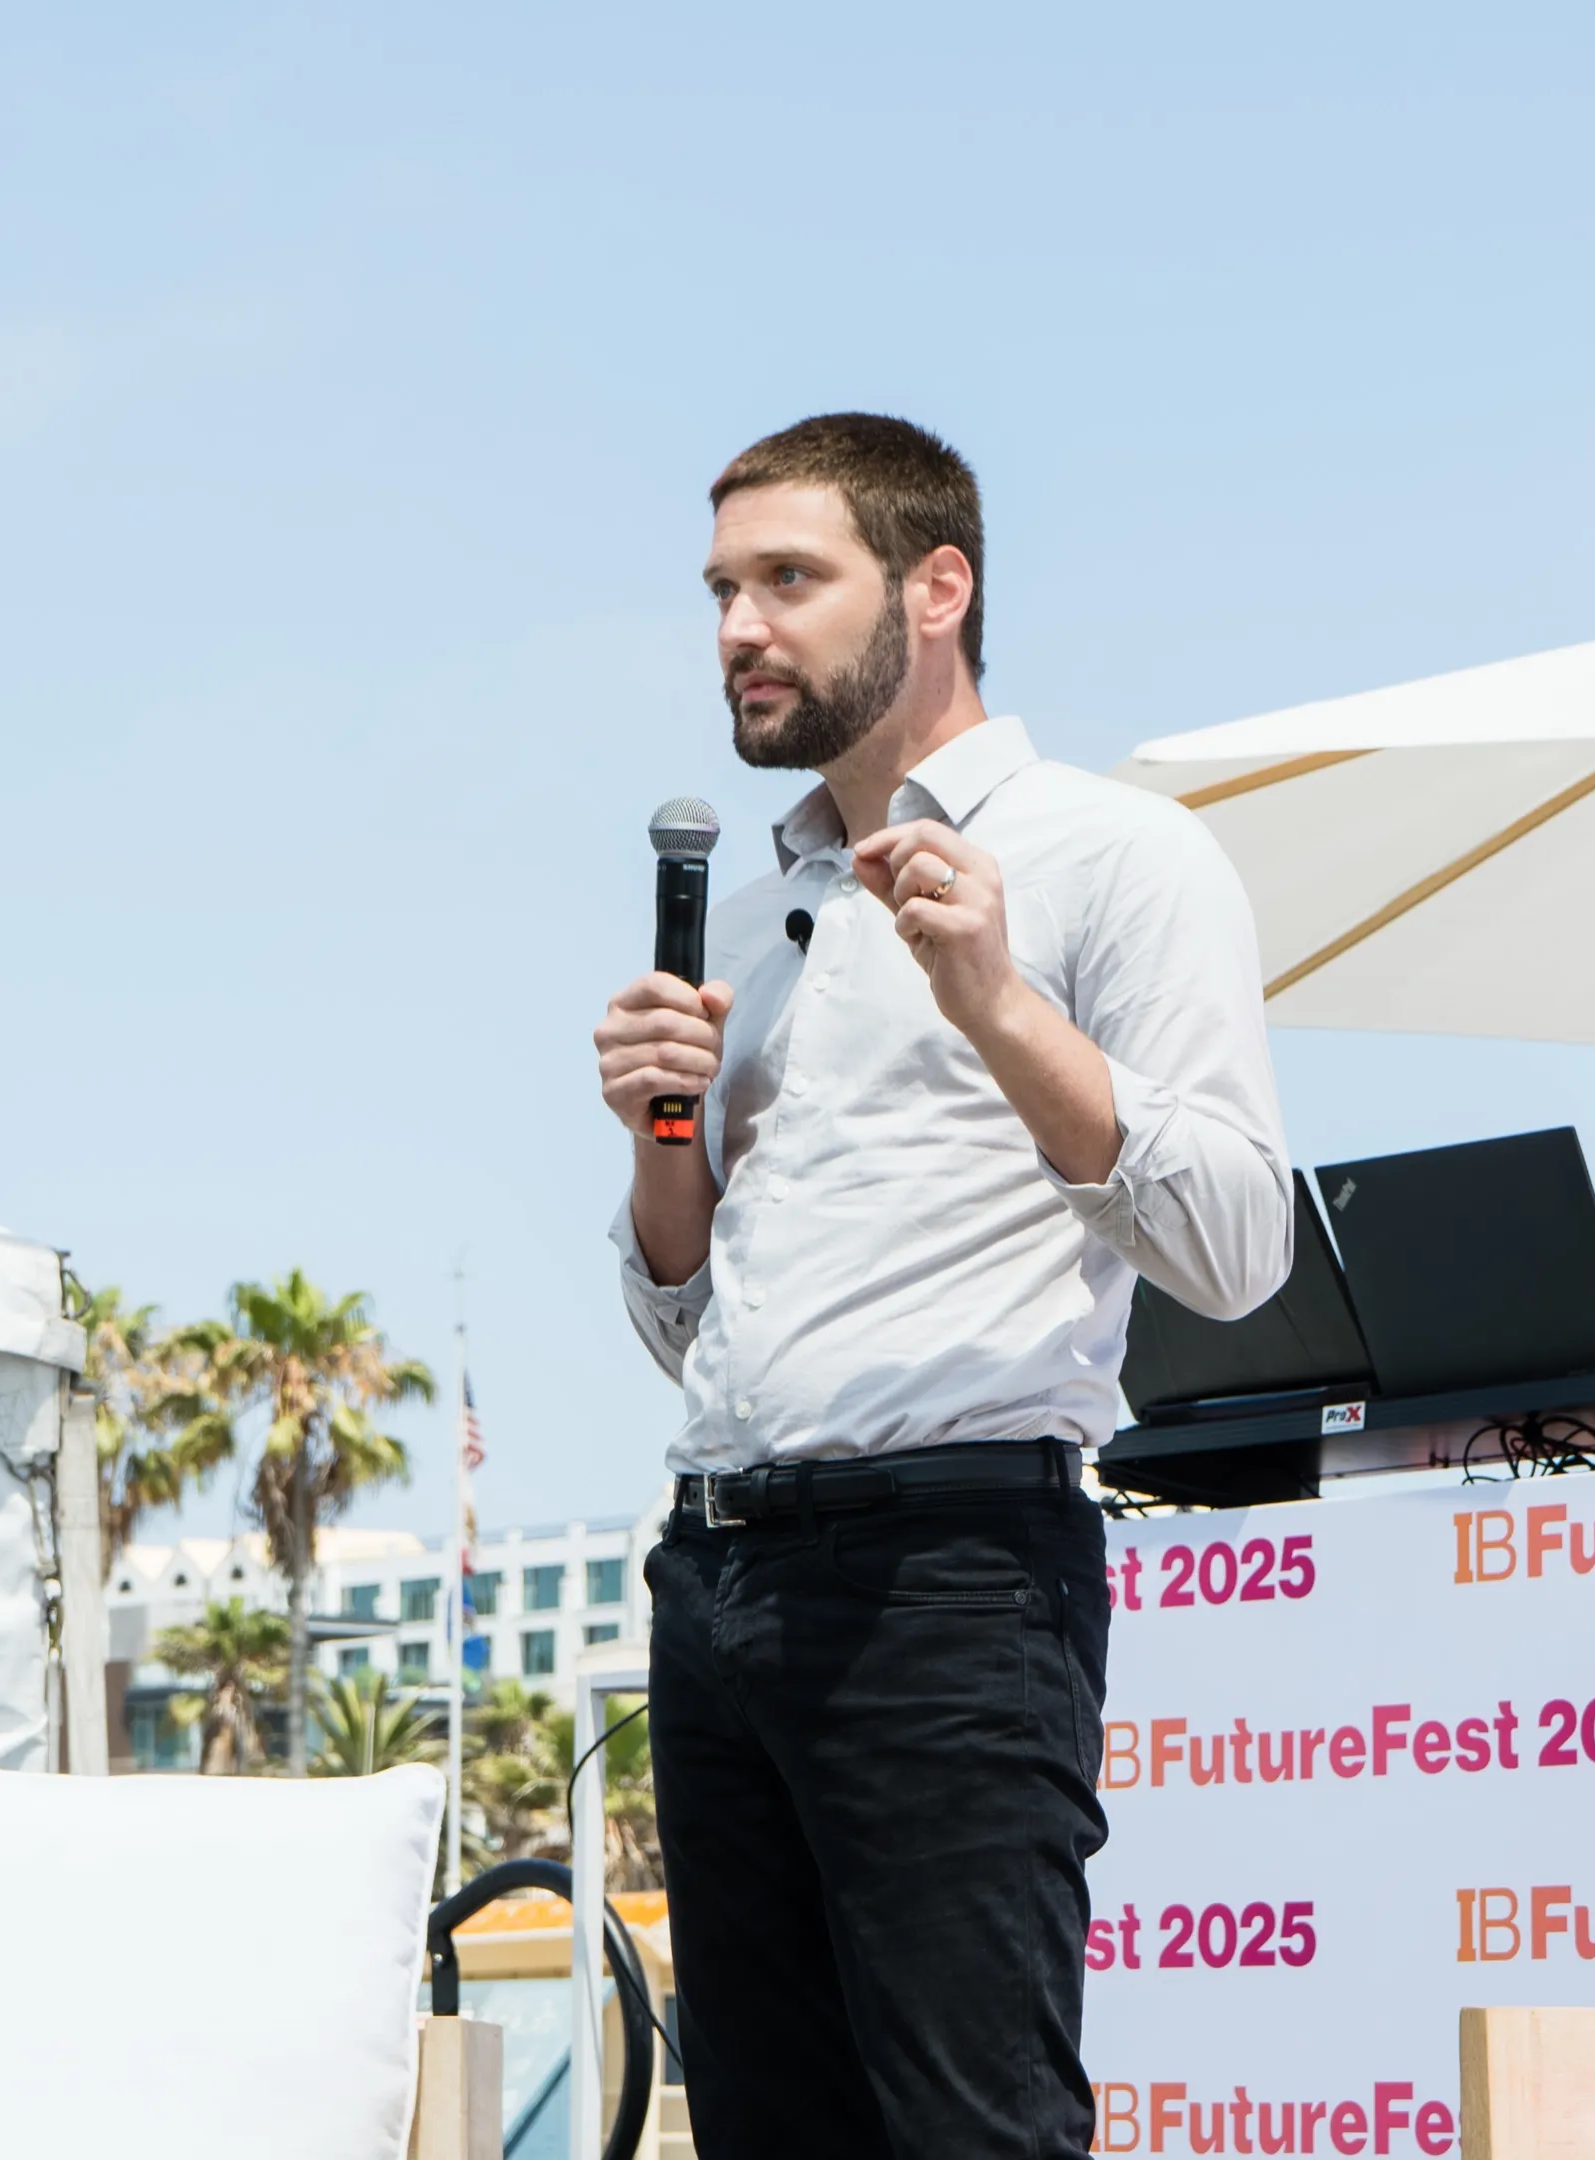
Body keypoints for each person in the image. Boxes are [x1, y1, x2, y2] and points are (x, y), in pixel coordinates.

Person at [592, 413, 1292, 2157]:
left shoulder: (1112, 855)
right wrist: (660, 1136)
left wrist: (997, 1002)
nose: (741, 630)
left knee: (975, 2131)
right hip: (720, 1576)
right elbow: (693, 1328)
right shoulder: (749, 925)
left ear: (936, 589)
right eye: (721, 592)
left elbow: (1235, 1243)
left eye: (788, 581)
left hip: (953, 1582)